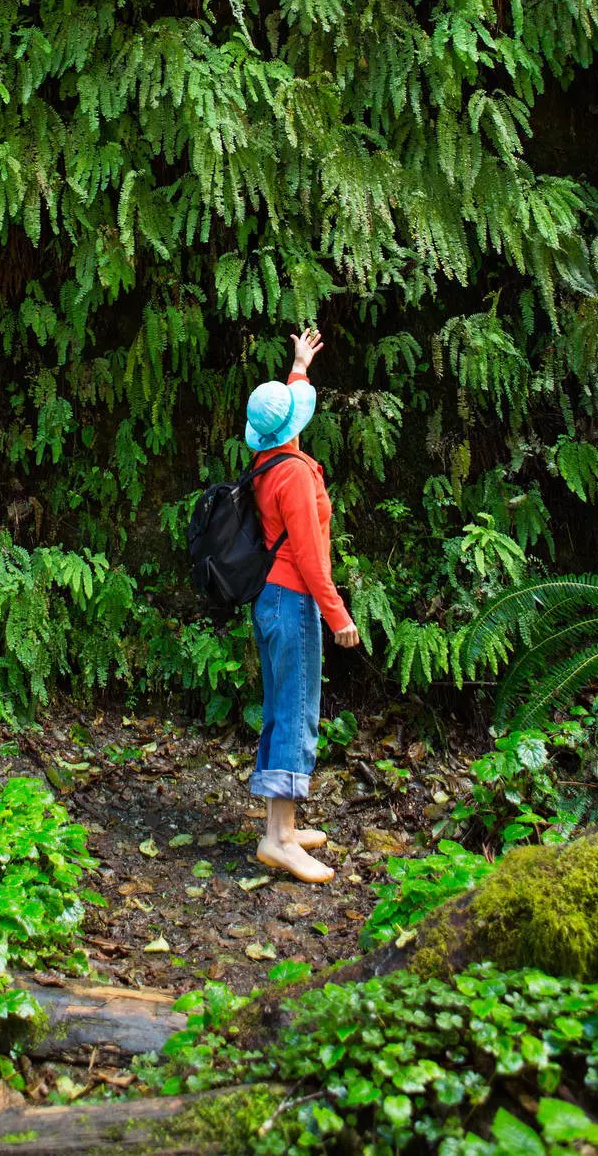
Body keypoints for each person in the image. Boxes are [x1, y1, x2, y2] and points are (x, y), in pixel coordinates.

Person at [246, 325, 359, 883]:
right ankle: (279, 839)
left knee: (278, 708)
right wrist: (338, 617)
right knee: (294, 715)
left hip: (271, 599)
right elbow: (312, 561)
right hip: (293, 601)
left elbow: (283, 417)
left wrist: (299, 366)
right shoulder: (291, 476)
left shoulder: (270, 456)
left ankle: (281, 824)